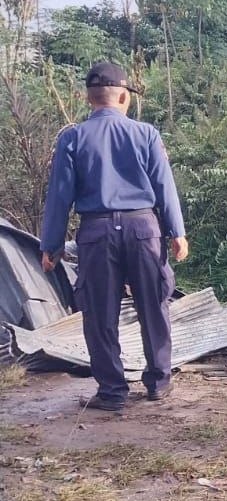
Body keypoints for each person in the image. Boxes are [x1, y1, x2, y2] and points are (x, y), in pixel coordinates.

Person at [39, 61, 189, 413]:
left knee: (99, 312)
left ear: (88, 99)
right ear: (123, 96)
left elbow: (59, 196)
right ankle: (158, 382)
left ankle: (112, 391)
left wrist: (51, 246)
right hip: (143, 229)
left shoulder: (72, 138)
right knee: (153, 305)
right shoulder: (146, 134)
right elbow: (164, 186)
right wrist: (177, 232)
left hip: (96, 231)